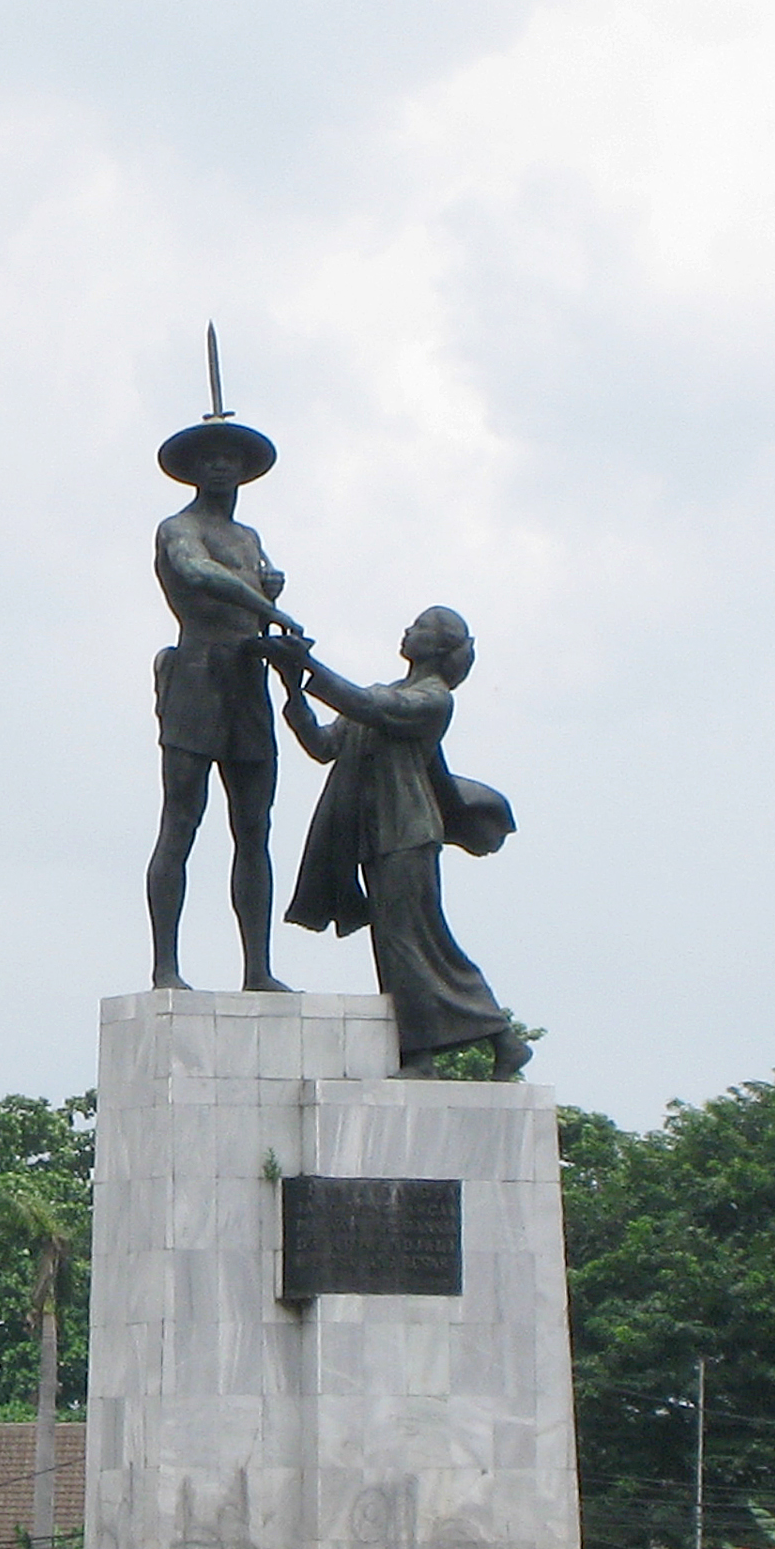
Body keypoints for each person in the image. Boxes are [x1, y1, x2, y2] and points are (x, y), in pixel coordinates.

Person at [263, 607, 531, 1078]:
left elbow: (368, 706)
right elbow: (324, 745)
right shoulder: (392, 692)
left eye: (421, 627)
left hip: (407, 832)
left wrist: (309, 669)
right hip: (375, 835)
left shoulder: (432, 699)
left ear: (440, 647)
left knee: (415, 941)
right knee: (396, 945)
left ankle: (487, 1039)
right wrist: (291, 687)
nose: (408, 630)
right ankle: (424, 1053)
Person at [147, 417, 304, 992]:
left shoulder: (249, 539)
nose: (220, 466)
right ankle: (166, 966)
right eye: (208, 457)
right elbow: (196, 573)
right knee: (181, 822)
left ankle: (257, 969)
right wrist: (266, 602)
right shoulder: (177, 528)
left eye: (229, 457)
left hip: (247, 680)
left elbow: (251, 591)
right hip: (196, 674)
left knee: (254, 828)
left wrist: (272, 601)